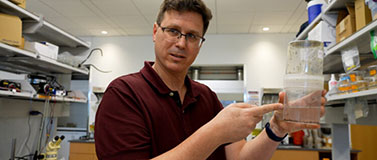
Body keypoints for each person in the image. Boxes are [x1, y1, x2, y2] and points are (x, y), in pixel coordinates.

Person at [94, 0, 327, 159]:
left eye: (192, 36)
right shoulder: (124, 93)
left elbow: (238, 157)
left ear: (200, 43)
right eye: (173, 30)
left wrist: (276, 128)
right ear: (156, 32)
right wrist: (216, 131)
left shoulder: (205, 97)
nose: (181, 43)